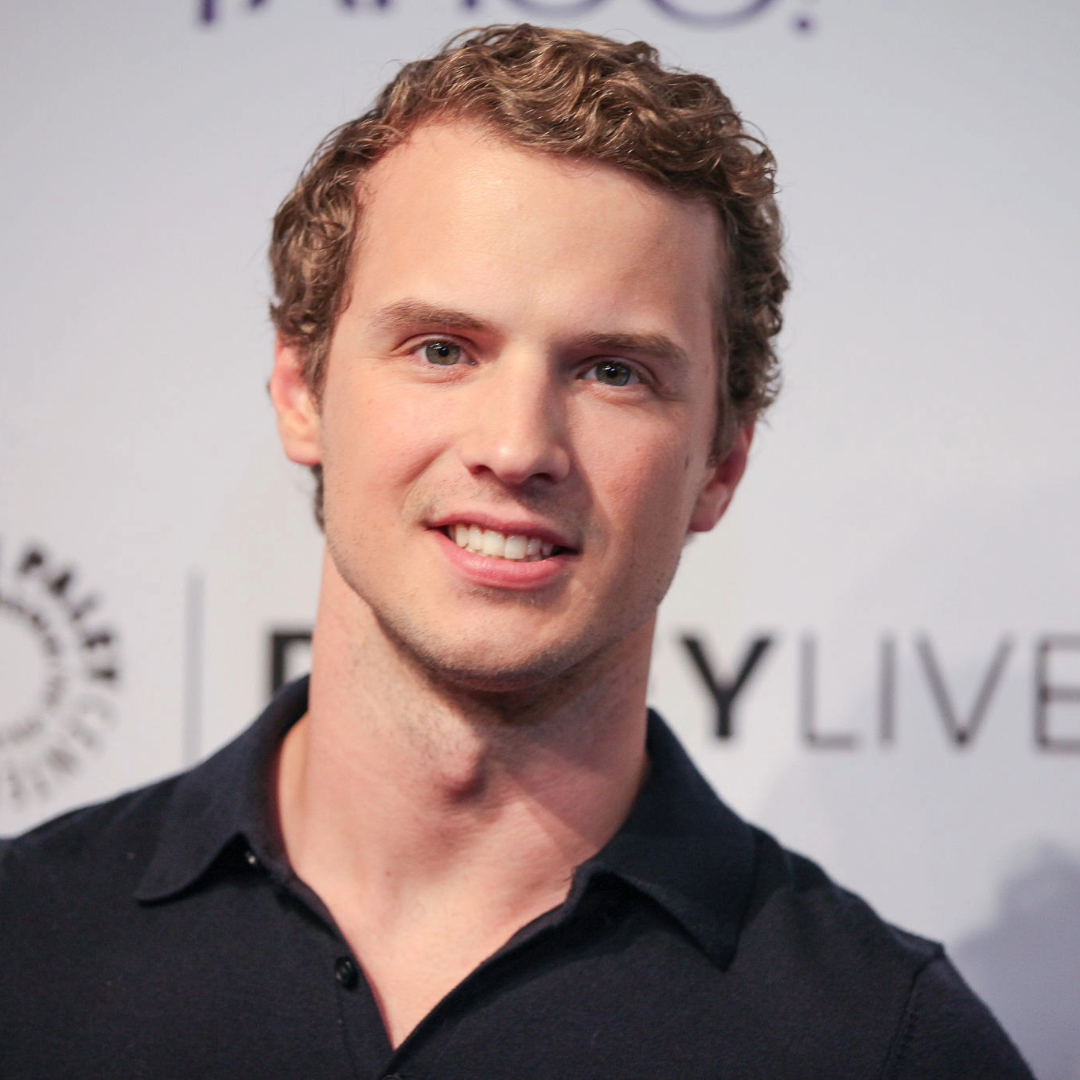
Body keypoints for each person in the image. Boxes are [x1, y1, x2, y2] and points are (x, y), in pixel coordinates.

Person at [0, 23, 1033, 1079]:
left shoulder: (880, 1045)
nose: (516, 447)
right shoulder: (24, 952)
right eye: (442, 349)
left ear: (720, 464)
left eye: (614, 372)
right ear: (301, 390)